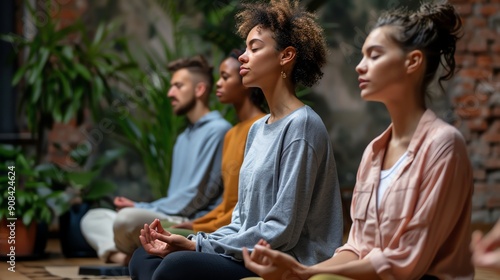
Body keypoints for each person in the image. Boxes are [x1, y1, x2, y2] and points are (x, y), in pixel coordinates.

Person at [242, 2, 474, 279]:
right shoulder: (374, 152)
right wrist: (303, 272)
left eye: (374, 56)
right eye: (362, 56)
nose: (360, 67)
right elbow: (355, 247)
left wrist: (305, 273)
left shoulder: (444, 145)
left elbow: (408, 260)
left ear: (412, 62)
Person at [128, 0, 344, 279]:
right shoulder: (258, 129)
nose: (243, 56)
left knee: (173, 268)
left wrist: (198, 245)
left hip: (285, 258)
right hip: (248, 251)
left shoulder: (302, 125)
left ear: (286, 56)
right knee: (142, 258)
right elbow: (241, 221)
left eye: (254, 48)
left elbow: (282, 231)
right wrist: (201, 243)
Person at [80, 55, 232, 265]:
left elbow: (195, 195)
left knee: (127, 219)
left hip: (188, 222)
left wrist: (139, 206)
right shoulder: (182, 138)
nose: (170, 93)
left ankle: (129, 253)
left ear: (199, 90)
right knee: (93, 217)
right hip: (168, 215)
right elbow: (175, 195)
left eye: (178, 86)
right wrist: (142, 207)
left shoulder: (218, 130)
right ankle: (127, 256)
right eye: (171, 87)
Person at [164, 49, 267, 236]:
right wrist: (196, 223)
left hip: (242, 231)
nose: (218, 84)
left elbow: (246, 206)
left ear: (245, 80)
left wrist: (199, 227)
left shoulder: (263, 127)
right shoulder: (231, 133)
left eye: (225, 77)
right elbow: (226, 203)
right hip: (221, 224)